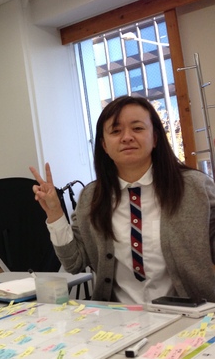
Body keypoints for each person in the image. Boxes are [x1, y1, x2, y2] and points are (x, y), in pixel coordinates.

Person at [30, 95, 215, 304]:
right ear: (104, 145)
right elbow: (74, 263)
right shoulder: (92, 197)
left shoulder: (194, 187)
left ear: (155, 137)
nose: (127, 137)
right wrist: (55, 213)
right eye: (115, 131)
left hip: (190, 316)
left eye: (137, 128)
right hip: (118, 317)